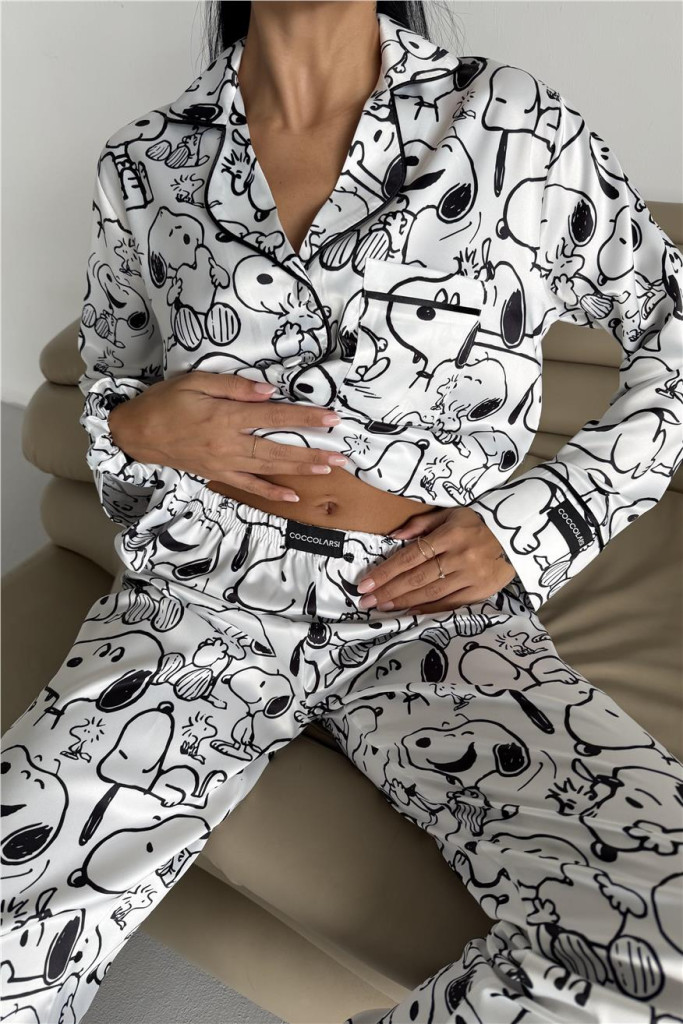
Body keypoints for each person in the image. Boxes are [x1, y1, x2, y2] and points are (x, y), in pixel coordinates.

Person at [1, 2, 682, 1022]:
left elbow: (671, 324)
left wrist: (537, 523)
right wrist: (138, 425)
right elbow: (112, 380)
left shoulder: (510, 126)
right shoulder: (146, 161)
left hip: (432, 612)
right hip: (200, 604)